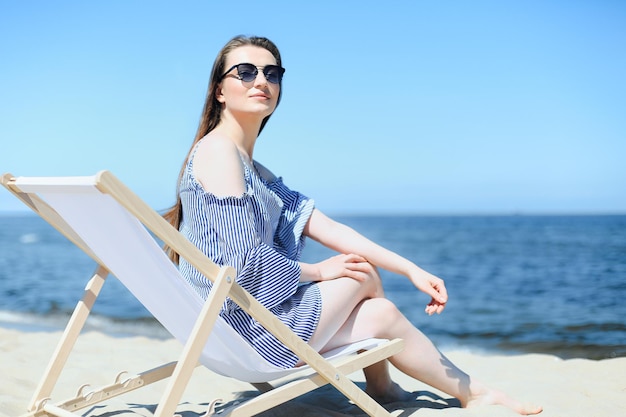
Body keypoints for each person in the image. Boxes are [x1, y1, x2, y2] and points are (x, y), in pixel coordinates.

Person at [164, 35, 542, 415]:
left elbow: (328, 227)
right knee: (360, 271)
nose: (261, 81)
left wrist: (412, 269)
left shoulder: (253, 170)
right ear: (219, 92)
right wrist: (316, 270)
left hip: (236, 329)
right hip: (247, 332)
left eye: (272, 73)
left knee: (380, 312)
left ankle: (463, 392)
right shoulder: (219, 152)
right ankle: (397, 388)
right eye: (245, 72)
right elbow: (243, 263)